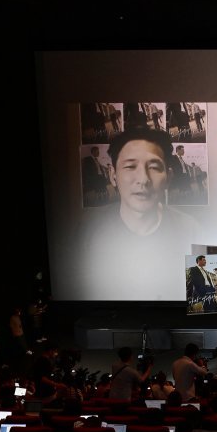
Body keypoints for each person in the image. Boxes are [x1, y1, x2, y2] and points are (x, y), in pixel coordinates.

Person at [72, 127, 196, 301]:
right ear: (113, 175)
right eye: (130, 166)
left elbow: (215, 305)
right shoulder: (88, 229)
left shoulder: (193, 230)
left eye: (154, 167)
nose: (143, 179)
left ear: (168, 177)